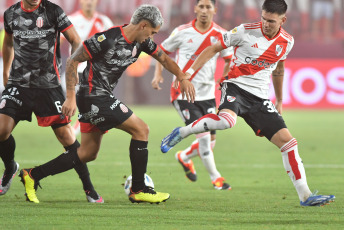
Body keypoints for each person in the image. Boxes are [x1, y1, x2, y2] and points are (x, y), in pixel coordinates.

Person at [161, 0, 335, 206]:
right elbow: (213, 48)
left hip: (260, 98)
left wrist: (278, 99)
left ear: (283, 20)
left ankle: (305, 196)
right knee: (227, 122)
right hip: (235, 86)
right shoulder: (244, 31)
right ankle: (182, 132)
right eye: (263, 18)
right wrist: (188, 73)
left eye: (271, 21)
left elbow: (279, 69)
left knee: (289, 143)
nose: (266, 24)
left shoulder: (287, 41)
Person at [19, 4, 195, 204]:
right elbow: (72, 62)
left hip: (98, 97)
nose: (152, 37)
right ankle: (138, 189)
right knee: (141, 130)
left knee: (87, 153)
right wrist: (69, 97)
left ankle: (33, 175)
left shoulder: (143, 43)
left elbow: (164, 59)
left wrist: (182, 76)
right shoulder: (106, 39)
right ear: (143, 25)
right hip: (94, 96)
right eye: (152, 32)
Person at [0, 0, 103, 203]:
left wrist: (72, 70)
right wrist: (6, 70)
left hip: (48, 86)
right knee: (1, 130)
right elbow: (8, 43)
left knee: (67, 138)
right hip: (19, 84)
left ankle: (89, 188)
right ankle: (10, 166)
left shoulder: (53, 11)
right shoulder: (10, 13)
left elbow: (75, 40)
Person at [152, 0, 233, 190]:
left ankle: (184, 156)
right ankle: (217, 179)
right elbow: (160, 52)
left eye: (208, 7)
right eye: (201, 6)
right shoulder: (182, 31)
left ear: (215, 9)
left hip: (207, 94)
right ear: (195, 9)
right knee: (204, 138)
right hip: (183, 94)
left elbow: (229, 59)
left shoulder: (221, 34)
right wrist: (157, 75)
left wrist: (224, 78)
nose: (204, 10)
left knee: (210, 142)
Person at [67, 0, 114, 134]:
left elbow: (114, 44)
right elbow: (57, 42)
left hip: (97, 71)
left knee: (89, 108)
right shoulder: (71, 20)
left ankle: (73, 136)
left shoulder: (104, 21)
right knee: (84, 108)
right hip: (77, 70)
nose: (89, 2)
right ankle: (72, 135)